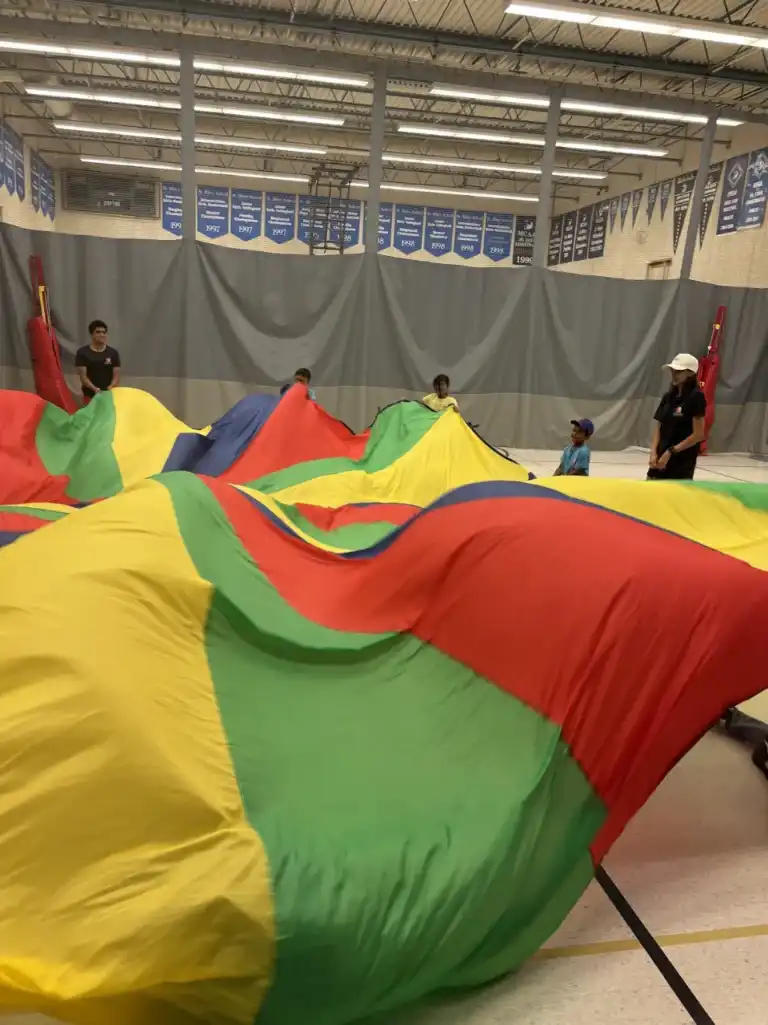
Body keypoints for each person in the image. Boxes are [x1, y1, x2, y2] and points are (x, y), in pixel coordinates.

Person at [648, 353, 706, 481]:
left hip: (681, 461)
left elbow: (698, 434)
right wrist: (653, 452)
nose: (674, 374)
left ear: (690, 373)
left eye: (679, 371)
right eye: (673, 371)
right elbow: (659, 426)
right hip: (660, 456)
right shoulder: (668, 397)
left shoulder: (696, 397)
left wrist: (671, 451)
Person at [75, 319, 121, 403]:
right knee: (89, 416)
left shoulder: (113, 353)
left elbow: (116, 376)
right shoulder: (82, 352)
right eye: (98, 332)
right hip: (90, 395)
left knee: (107, 416)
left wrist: (110, 387)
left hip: (108, 395)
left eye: (104, 332)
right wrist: (94, 389)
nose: (102, 335)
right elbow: (83, 377)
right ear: (92, 334)